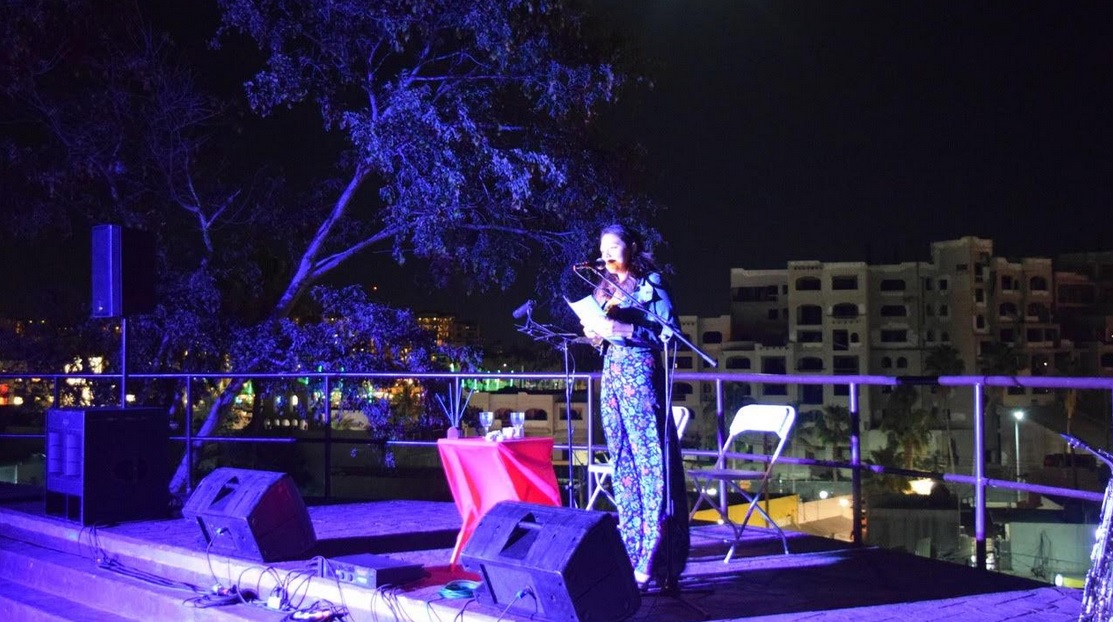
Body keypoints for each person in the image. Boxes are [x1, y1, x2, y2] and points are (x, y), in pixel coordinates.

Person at [579, 223, 689, 588]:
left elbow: (670, 333)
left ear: (631, 247)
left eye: (614, 246)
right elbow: (601, 334)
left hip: (640, 377)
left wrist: (625, 330)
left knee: (649, 462)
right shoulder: (604, 287)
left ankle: (654, 556)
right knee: (623, 464)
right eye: (603, 249)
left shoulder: (650, 284)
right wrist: (595, 334)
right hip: (612, 377)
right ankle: (630, 549)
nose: (607, 254)